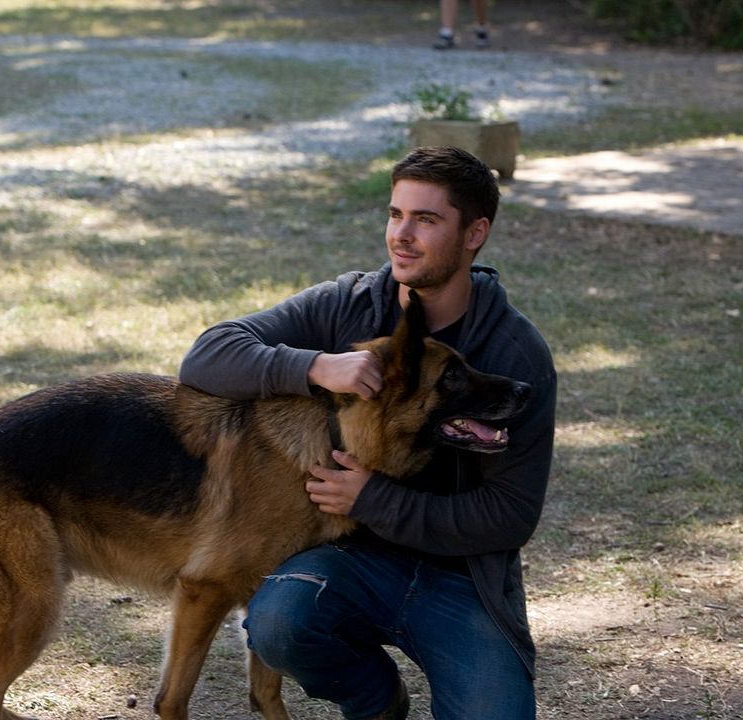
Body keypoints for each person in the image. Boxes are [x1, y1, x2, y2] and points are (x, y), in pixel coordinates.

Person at [179, 146, 556, 720]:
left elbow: (510, 516)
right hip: (349, 561)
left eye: (426, 220)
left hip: (462, 580)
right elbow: (207, 356)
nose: (402, 235)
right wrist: (313, 366)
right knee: (278, 620)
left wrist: (375, 499)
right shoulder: (348, 304)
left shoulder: (515, 353)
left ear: (475, 232)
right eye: (395, 214)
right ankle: (376, 701)